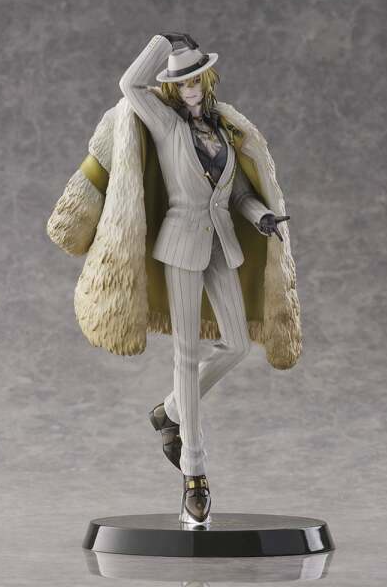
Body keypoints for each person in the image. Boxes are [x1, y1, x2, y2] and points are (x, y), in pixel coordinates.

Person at [119, 33, 290, 525]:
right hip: (181, 244)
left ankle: (170, 410)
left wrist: (261, 216)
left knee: (236, 345)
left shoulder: (222, 129)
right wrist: (162, 43)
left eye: (196, 79)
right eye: (182, 82)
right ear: (173, 87)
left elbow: (236, 194)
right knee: (186, 353)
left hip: (220, 244)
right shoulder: (166, 123)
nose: (190, 88)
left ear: (207, 79)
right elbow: (130, 84)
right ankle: (194, 472)